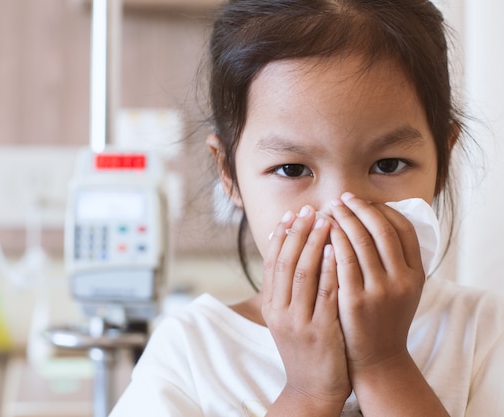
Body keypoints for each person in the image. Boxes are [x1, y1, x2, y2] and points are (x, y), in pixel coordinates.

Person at [109, 1, 504, 416]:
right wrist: (308, 393)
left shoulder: (483, 332)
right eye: (292, 169)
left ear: (443, 160)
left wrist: (384, 365)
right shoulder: (191, 353)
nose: (338, 210)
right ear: (229, 173)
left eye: (387, 165)